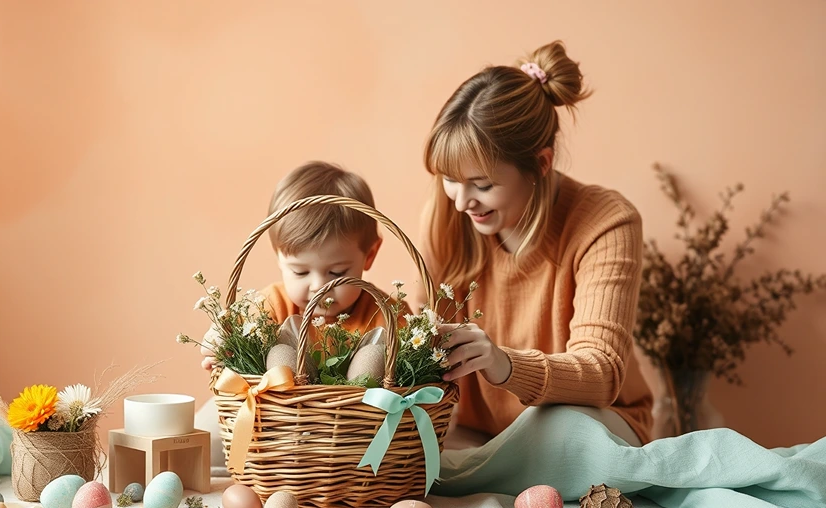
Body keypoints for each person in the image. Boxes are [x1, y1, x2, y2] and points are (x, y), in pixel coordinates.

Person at [421, 40, 653, 447]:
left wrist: (502, 363)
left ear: (541, 164)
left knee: (565, 432)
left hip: (590, 424)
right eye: (450, 179)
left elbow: (601, 372)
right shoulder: (446, 214)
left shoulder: (606, 221)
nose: (460, 201)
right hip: (480, 434)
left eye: (483, 185)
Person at [195, 161, 402, 471]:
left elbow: (414, 362)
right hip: (273, 427)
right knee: (200, 437)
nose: (319, 286)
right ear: (279, 256)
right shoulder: (269, 307)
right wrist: (219, 343)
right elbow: (229, 345)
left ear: (369, 255)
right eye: (300, 271)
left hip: (349, 436)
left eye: (337, 272)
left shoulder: (383, 313)